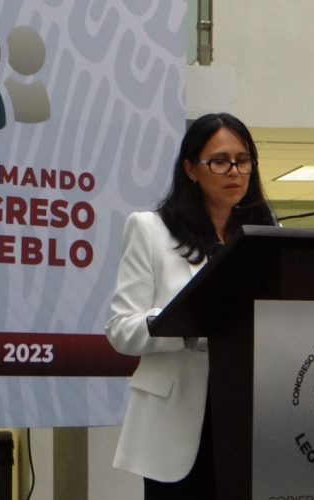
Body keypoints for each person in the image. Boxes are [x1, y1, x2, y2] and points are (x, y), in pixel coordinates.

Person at [105, 112, 276, 499]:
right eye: (219, 161)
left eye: (243, 160)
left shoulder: (267, 234)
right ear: (191, 169)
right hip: (175, 423)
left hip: (251, 413)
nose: (234, 171)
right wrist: (185, 324)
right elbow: (121, 329)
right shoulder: (151, 229)